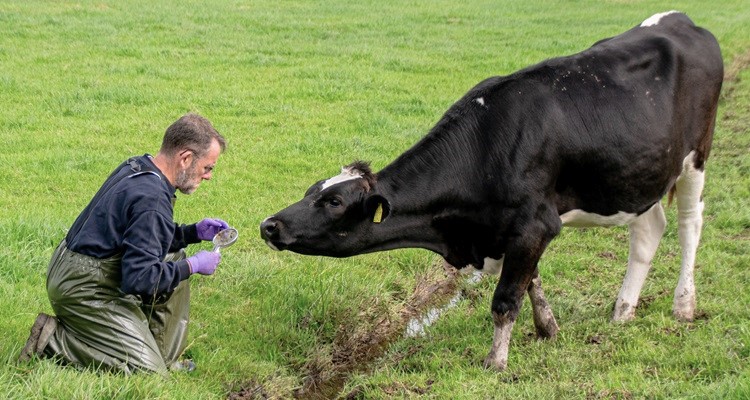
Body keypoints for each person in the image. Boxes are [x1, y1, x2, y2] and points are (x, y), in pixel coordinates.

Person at [19, 113, 230, 375]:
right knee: (148, 373)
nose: (208, 176)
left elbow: (144, 237)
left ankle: (163, 355)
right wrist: (193, 266)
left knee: (174, 256)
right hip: (83, 287)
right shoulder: (151, 199)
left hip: (77, 265)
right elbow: (139, 279)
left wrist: (192, 233)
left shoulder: (140, 166)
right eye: (207, 167)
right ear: (185, 158)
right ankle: (54, 341)